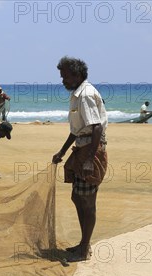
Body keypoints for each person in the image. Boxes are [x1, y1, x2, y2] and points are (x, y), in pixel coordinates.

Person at [52, 56, 108, 263]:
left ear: (76, 75)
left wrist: (89, 160)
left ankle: (84, 249)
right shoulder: (77, 95)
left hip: (90, 152)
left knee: (87, 201)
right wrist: (62, 151)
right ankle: (84, 243)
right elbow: (77, 130)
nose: (62, 80)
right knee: (78, 197)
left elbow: (96, 127)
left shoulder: (85, 95)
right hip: (81, 149)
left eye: (64, 76)